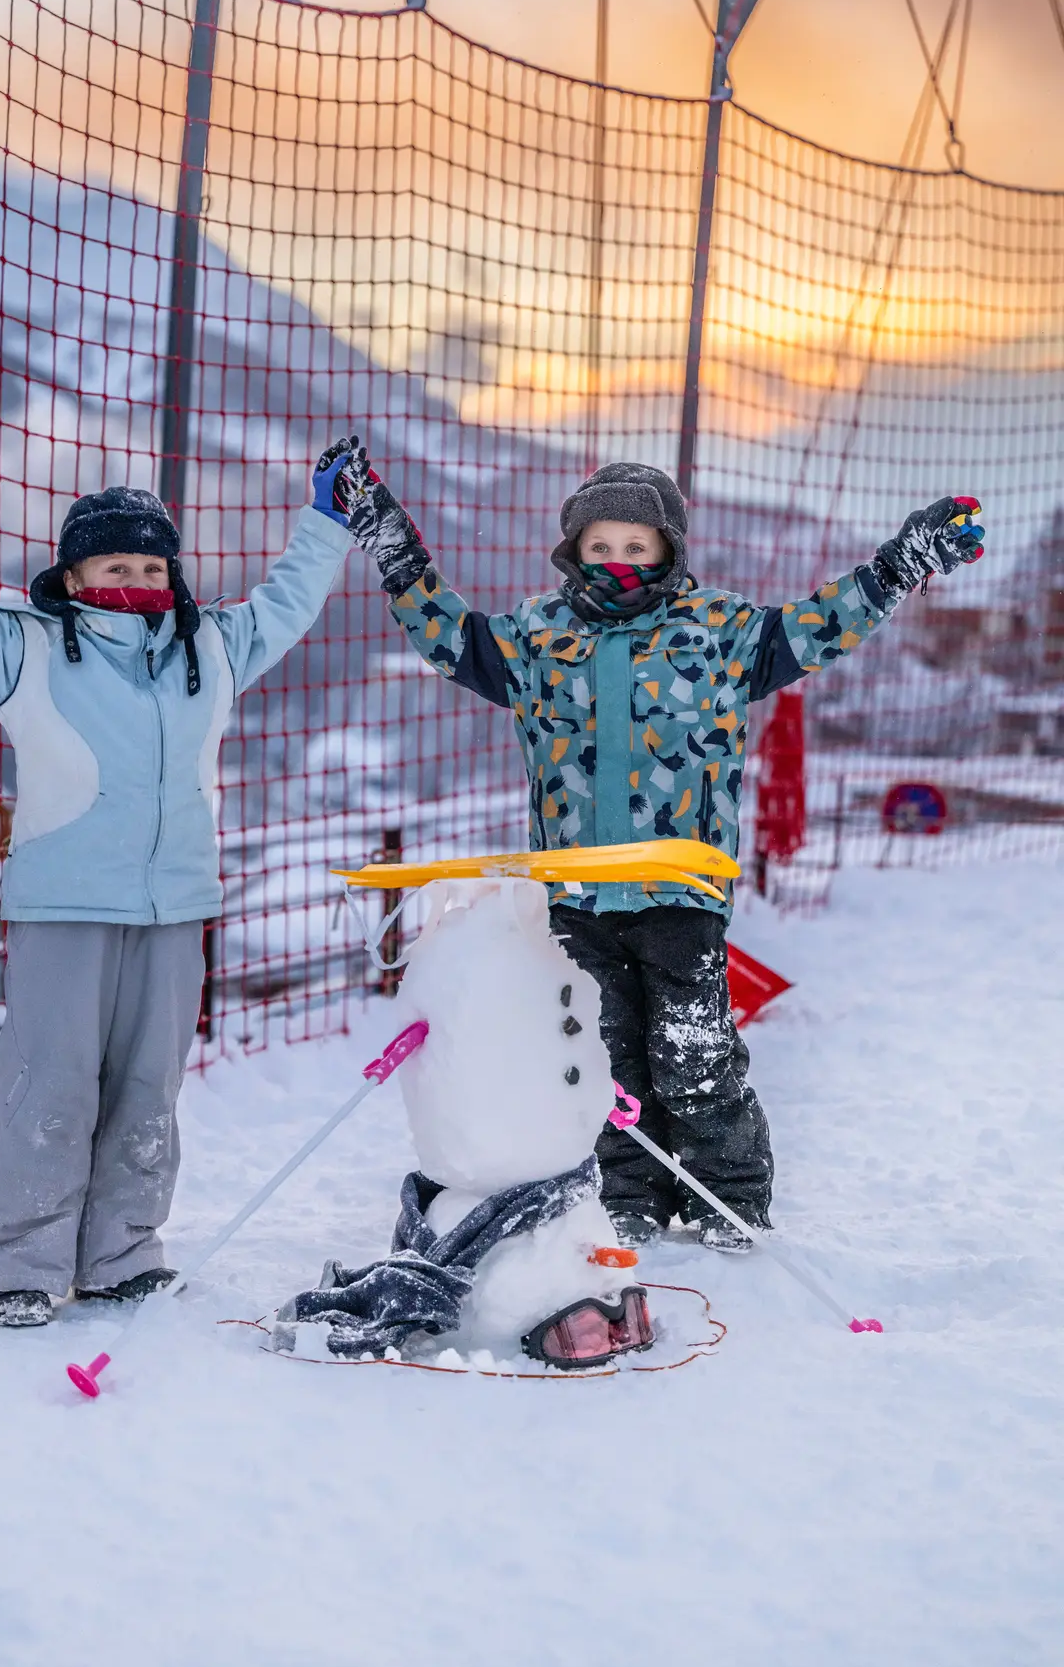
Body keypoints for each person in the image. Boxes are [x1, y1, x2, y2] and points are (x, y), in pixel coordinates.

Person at [334, 451, 984, 1252]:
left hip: (679, 890)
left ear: (668, 550)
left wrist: (900, 564)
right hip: (576, 896)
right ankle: (627, 1195)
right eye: (601, 546)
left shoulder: (720, 633)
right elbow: (447, 636)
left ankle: (728, 1200)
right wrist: (393, 547)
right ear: (574, 550)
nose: (619, 562)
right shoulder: (536, 637)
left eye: (637, 547)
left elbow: (823, 624)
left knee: (692, 1054)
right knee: (603, 1058)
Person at [0, 422, 359, 1325]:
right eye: (115, 566)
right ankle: (24, 1264)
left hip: (174, 906)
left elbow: (289, 599)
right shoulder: (26, 650)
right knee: (50, 1085)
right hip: (65, 904)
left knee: (149, 1091)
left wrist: (328, 522)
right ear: (72, 579)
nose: (137, 581)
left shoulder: (210, 651)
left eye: (153, 567)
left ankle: (121, 1254)